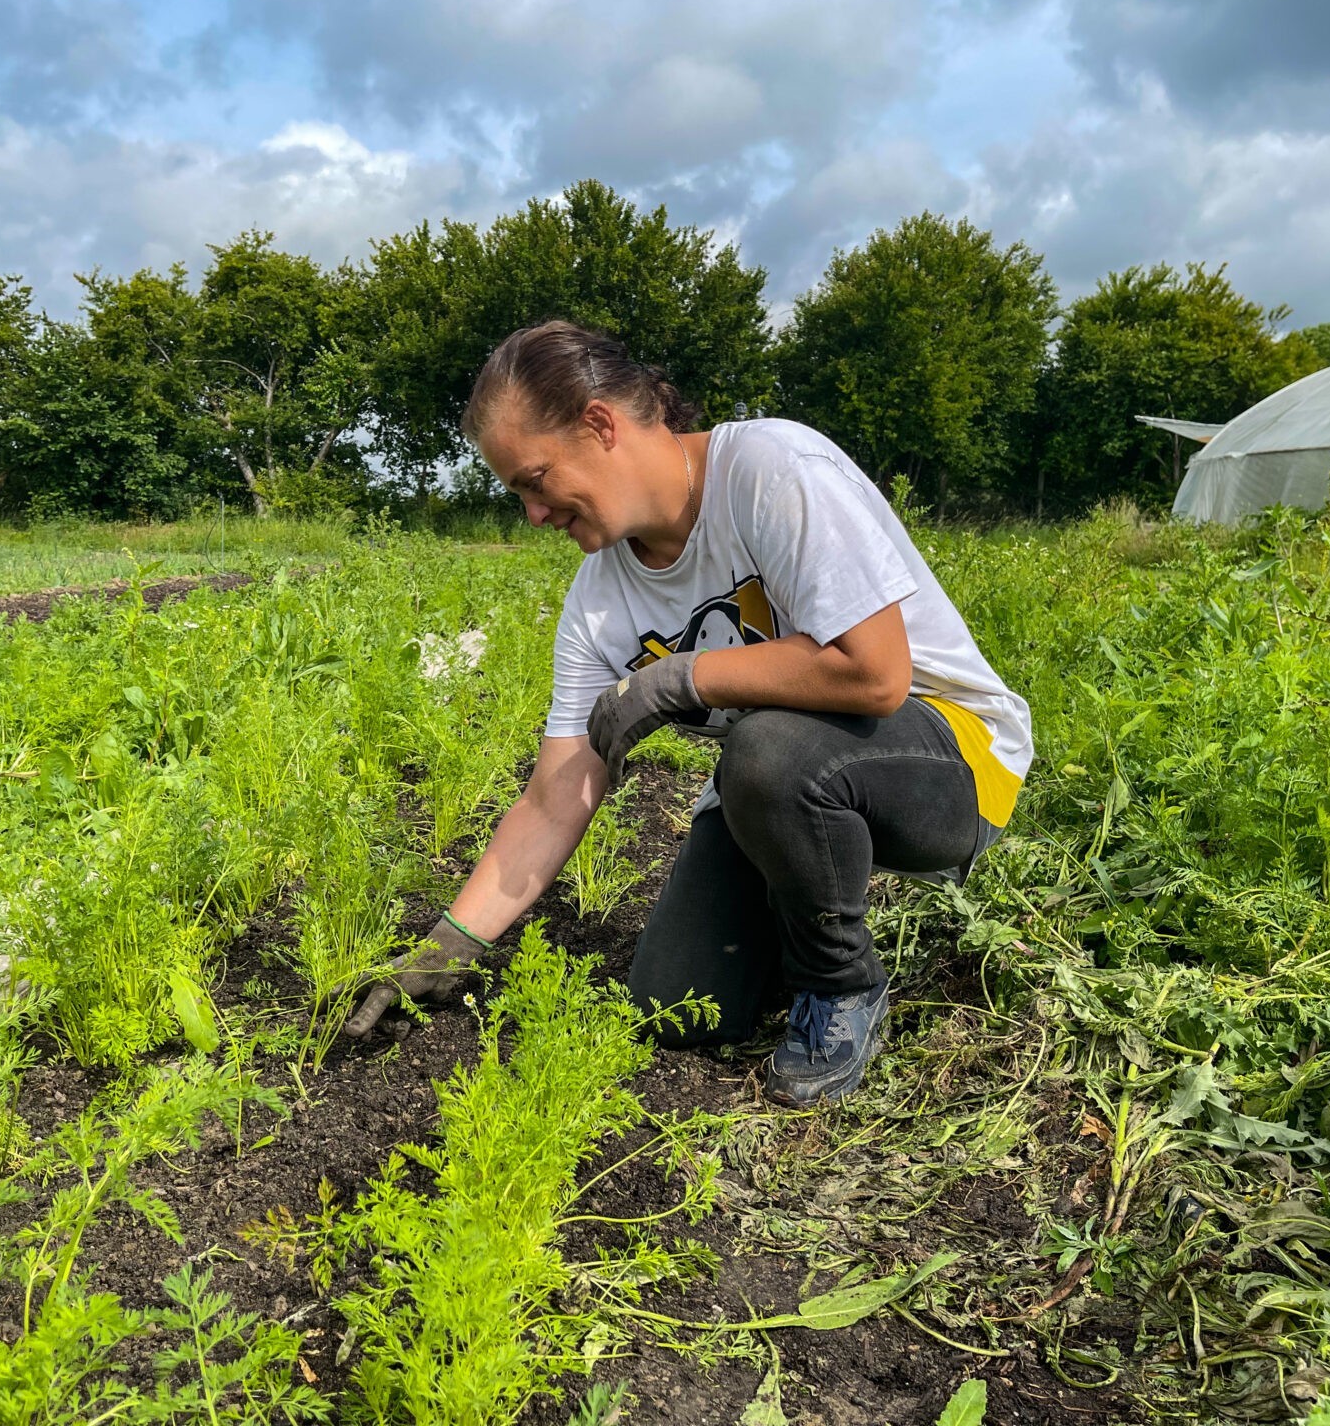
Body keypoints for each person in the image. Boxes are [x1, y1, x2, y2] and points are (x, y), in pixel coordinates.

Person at [335, 321, 1031, 1105]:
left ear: (600, 424)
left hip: (949, 759)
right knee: (677, 1004)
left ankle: (841, 987)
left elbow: (876, 675)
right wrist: (450, 944)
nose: (532, 514)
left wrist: (684, 677)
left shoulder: (769, 469)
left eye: (535, 479)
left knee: (766, 752)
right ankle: (798, 894)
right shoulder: (600, 601)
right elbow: (556, 794)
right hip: (772, 788)